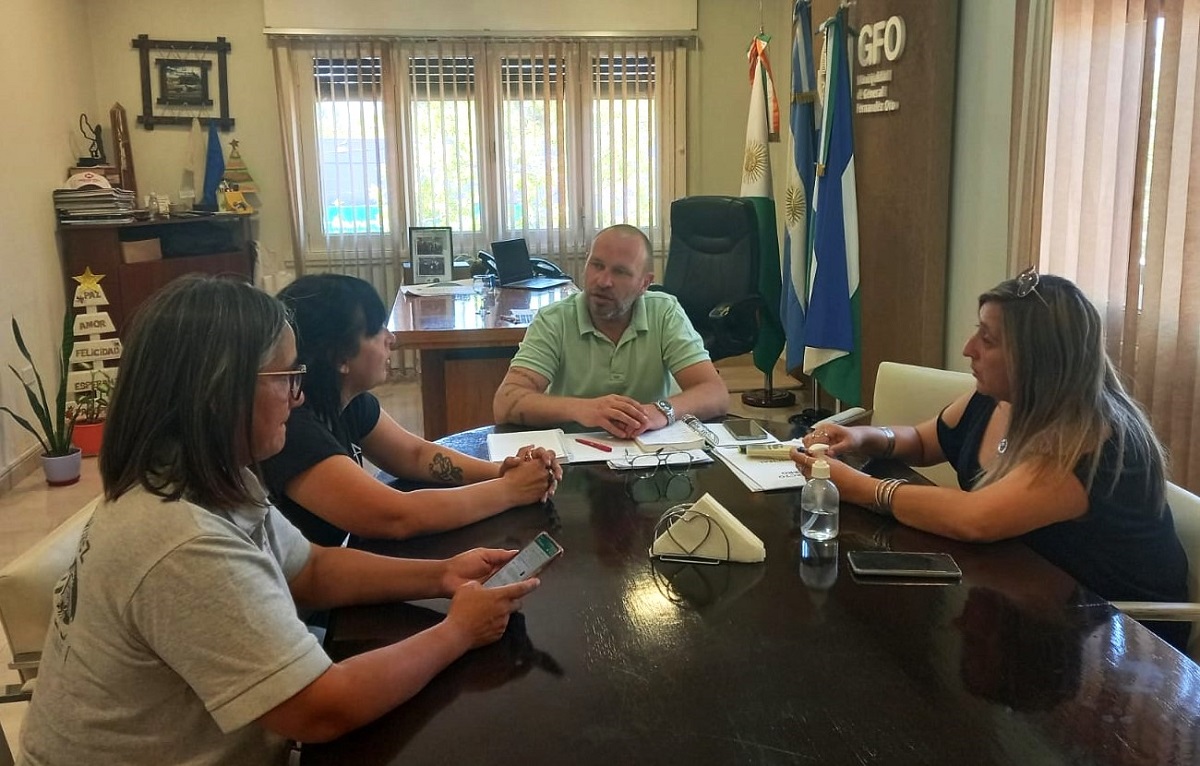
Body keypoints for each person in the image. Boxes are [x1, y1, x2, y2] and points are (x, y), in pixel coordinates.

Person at [18, 276, 538, 765]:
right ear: (220, 391)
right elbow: (319, 708)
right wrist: (458, 632)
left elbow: (310, 569)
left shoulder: (212, 477)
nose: (300, 395)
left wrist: (443, 574)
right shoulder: (180, 540)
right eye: (286, 376)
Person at [793, 269, 1190, 649]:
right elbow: (921, 440)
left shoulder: (1089, 439)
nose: (969, 349)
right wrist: (862, 436)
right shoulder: (995, 400)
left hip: (1117, 638)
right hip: (1031, 602)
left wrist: (858, 487)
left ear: (1037, 358)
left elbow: (975, 518)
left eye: (988, 338)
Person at [261, 274, 561, 547]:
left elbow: (414, 455)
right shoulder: (291, 426)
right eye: (376, 330)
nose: (392, 338)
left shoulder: (345, 398)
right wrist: (509, 490)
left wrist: (503, 472)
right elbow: (393, 516)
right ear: (340, 357)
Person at [492, 224, 728, 437]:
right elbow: (506, 402)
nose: (603, 281)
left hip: (648, 455)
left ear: (644, 283)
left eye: (620, 272)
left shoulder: (664, 312)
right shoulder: (555, 320)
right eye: (597, 265)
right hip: (575, 458)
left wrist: (660, 411)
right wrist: (585, 409)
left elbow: (714, 393)